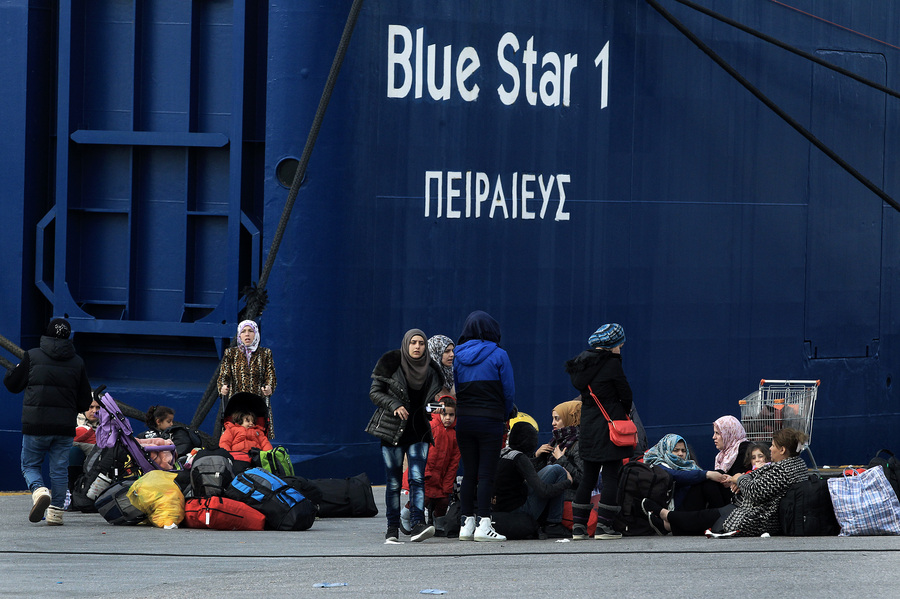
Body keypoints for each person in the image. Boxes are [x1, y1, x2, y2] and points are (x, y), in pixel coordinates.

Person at [3, 318, 93, 525]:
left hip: (36, 424)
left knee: (30, 464)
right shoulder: (77, 362)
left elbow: (13, 385)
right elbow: (84, 401)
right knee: (59, 469)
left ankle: (39, 490)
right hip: (64, 427)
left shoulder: (32, 356)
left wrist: (12, 370)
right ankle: (56, 513)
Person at [642, 428, 810, 537]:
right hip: (752, 507)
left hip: (756, 516)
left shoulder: (783, 470)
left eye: (773, 446)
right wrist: (739, 478)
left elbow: (756, 490)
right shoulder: (792, 466)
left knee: (706, 516)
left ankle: (667, 517)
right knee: (707, 514)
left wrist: (739, 478)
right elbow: (759, 484)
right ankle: (668, 523)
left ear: (782, 450)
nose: (770, 449)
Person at [365, 328, 444, 543]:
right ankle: (392, 528)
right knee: (393, 483)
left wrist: (436, 407)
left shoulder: (432, 370)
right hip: (392, 431)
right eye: (413, 343)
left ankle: (418, 523)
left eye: (421, 343)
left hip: (420, 431)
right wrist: (395, 404)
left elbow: (429, 400)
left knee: (418, 478)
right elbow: (375, 392)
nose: (417, 347)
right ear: (406, 344)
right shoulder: (390, 363)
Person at [564, 322, 632, 540]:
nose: (620, 349)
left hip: (589, 427)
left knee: (589, 476)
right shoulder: (612, 364)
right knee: (611, 475)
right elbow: (626, 394)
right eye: (619, 345)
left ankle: (578, 528)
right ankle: (604, 527)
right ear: (611, 345)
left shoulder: (581, 366)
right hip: (609, 427)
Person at [454, 310, 516, 542]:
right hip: (490, 420)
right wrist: (505, 412)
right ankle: (484, 523)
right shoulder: (499, 354)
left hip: (465, 420)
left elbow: (458, 389)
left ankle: (466, 524)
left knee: (469, 473)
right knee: (487, 474)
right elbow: (508, 391)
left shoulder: (458, 356)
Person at [493, 421, 572, 538]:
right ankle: (553, 524)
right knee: (558, 470)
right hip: (519, 512)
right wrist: (568, 482)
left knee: (552, 469)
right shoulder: (519, 458)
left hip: (500, 510)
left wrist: (536, 457)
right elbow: (543, 491)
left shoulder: (502, 453)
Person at [218, 320, 277, 439]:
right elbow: (224, 375)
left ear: (256, 334)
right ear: (239, 335)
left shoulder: (265, 353)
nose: (247, 334)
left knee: (258, 432)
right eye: (243, 331)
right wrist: (222, 387)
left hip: (258, 402)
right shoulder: (230, 353)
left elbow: (270, 375)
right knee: (235, 433)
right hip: (236, 401)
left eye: (250, 331)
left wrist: (269, 387)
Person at [642, 434, 728, 511]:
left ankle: (727, 514)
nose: (680, 454)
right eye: (676, 450)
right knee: (707, 481)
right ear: (665, 450)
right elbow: (676, 476)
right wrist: (707, 474)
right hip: (675, 509)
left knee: (718, 474)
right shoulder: (658, 465)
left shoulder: (687, 465)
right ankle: (722, 516)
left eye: (683, 450)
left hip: (690, 503)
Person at [533, 399, 584, 502]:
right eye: (553, 419)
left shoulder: (579, 443)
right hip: (550, 494)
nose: (553, 423)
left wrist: (562, 460)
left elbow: (582, 479)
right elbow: (538, 475)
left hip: (567, 498)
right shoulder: (555, 441)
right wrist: (537, 456)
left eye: (557, 419)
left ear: (568, 419)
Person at [423, 397, 460, 523]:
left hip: (442, 479)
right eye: (444, 414)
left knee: (443, 501)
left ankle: (438, 522)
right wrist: (425, 473)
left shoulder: (455, 435)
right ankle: (407, 516)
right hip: (427, 477)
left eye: (451, 415)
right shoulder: (431, 427)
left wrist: (448, 484)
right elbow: (423, 452)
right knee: (423, 499)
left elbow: (453, 463)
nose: (448, 418)